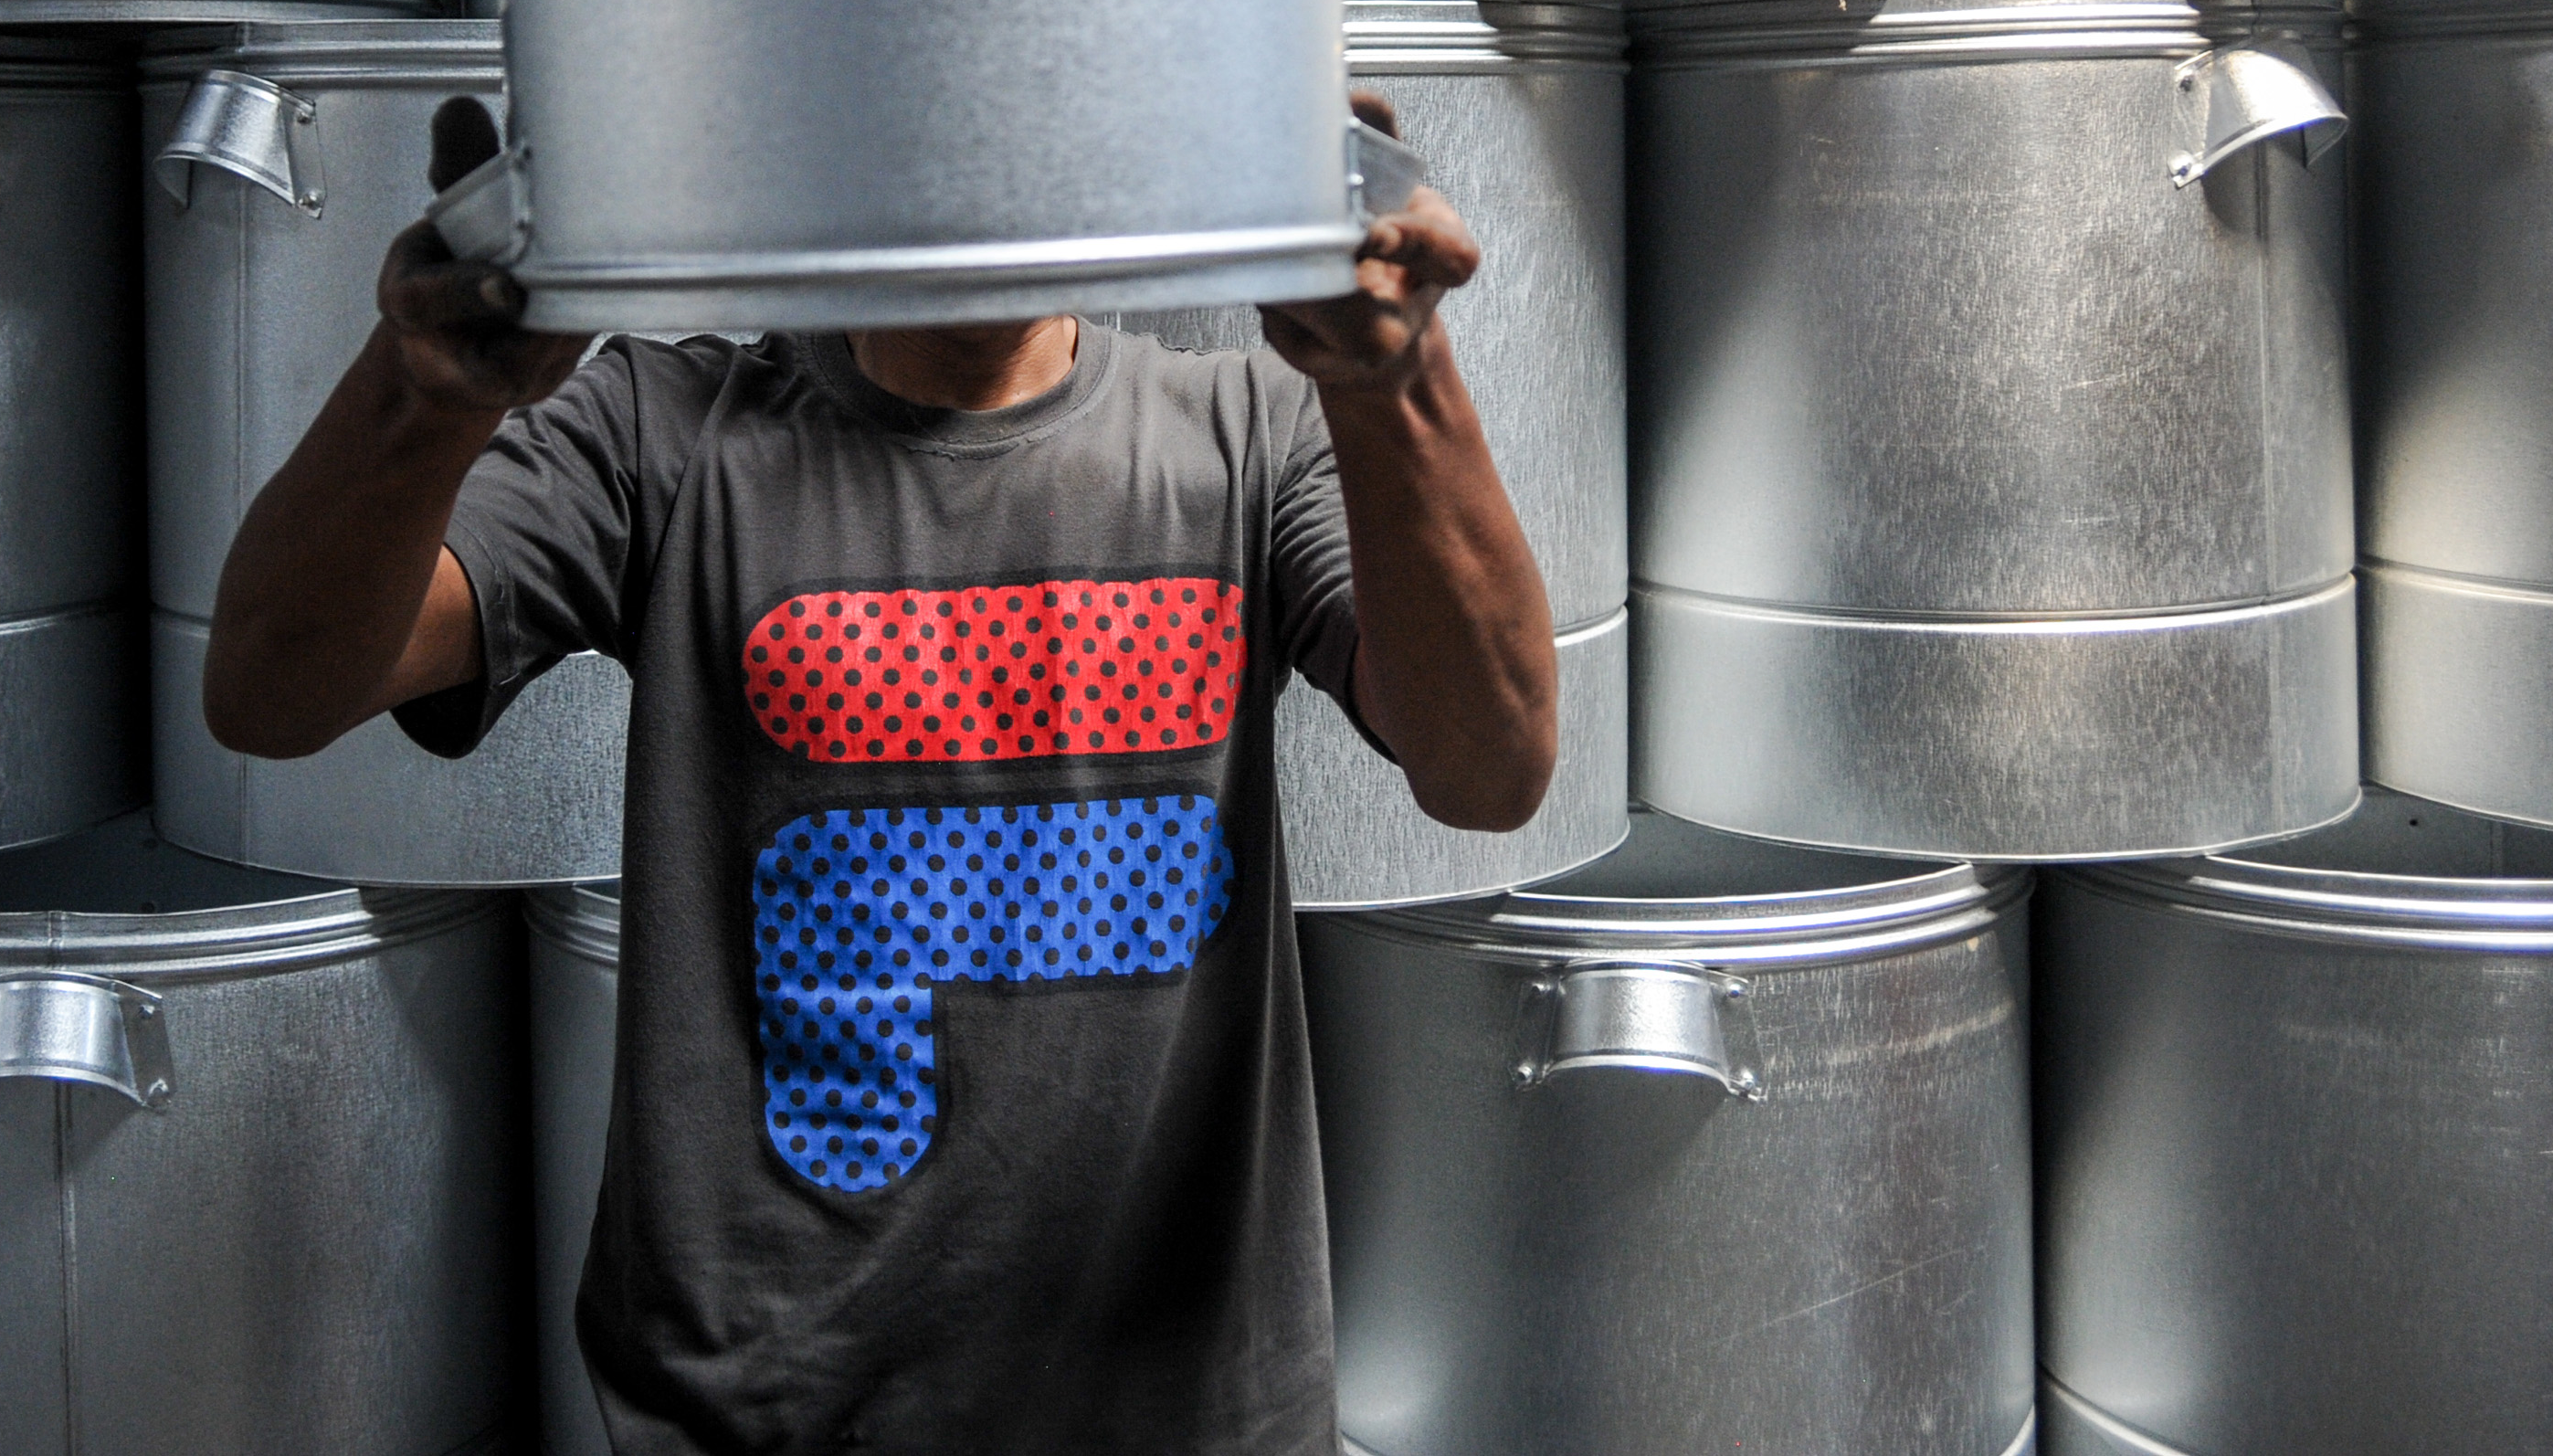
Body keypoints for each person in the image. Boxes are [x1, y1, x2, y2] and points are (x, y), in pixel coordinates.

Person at [206, 93, 1557, 1455]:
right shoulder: (659, 433)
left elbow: (1490, 764)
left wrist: (1397, 386)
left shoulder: (1252, 435)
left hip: (1184, 1406)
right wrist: (425, 392)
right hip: (762, 1417)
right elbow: (272, 688)